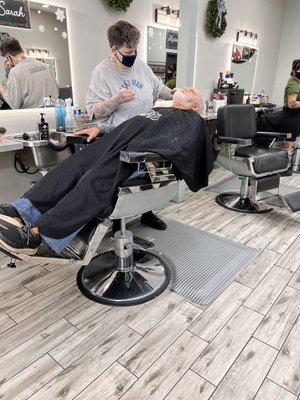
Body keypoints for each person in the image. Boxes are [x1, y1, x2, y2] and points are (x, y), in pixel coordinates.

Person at [0, 89, 214, 255]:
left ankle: (38, 234)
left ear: (196, 106)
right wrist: (101, 129)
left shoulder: (192, 122)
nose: (186, 88)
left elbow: (180, 149)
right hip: (116, 148)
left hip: (137, 163)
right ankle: (22, 209)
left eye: (192, 91)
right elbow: (128, 127)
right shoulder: (160, 111)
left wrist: (147, 153)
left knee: (96, 178)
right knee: (73, 165)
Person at [84, 20, 177, 231]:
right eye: (129, 51)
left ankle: (147, 212)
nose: (133, 54)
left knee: (149, 176)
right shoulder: (102, 73)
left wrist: (175, 94)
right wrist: (116, 99)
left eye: (135, 49)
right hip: (120, 138)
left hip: (146, 134)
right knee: (122, 182)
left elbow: (158, 87)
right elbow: (93, 111)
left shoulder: (141, 65)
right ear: (114, 50)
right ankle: (118, 221)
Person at [0, 37, 59, 109]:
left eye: (7, 58)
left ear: (9, 57)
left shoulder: (15, 71)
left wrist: (1, 89)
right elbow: (57, 88)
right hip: (54, 112)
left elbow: (14, 104)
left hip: (34, 117)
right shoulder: (43, 65)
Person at [257, 59, 300, 138]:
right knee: (288, 147)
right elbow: (292, 104)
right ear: (294, 71)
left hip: (296, 118)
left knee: (290, 147)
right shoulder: (293, 84)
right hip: (289, 119)